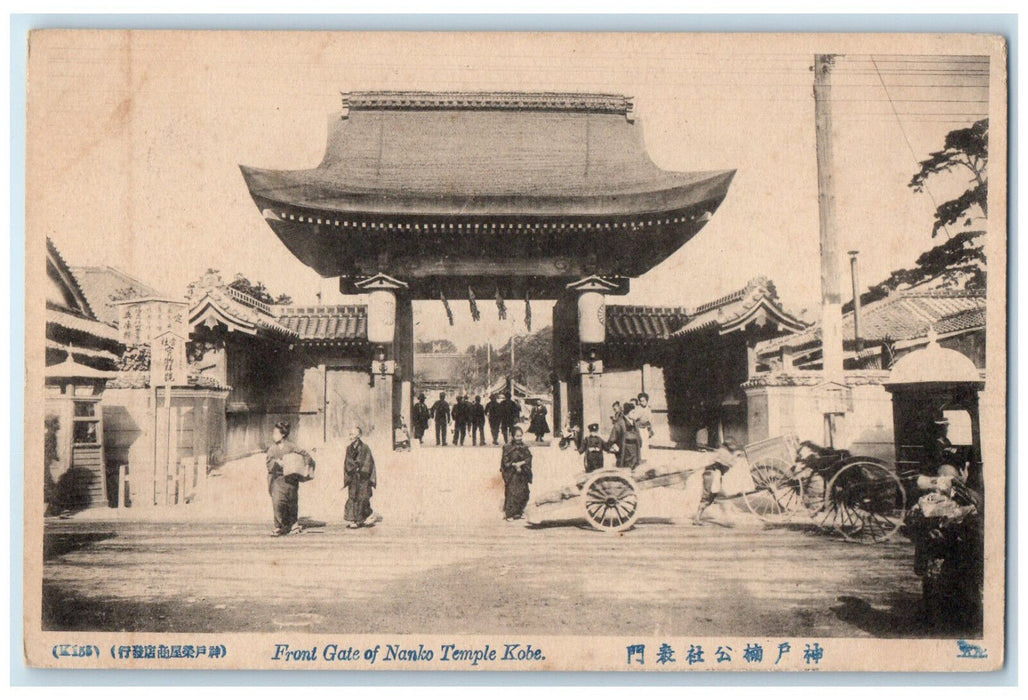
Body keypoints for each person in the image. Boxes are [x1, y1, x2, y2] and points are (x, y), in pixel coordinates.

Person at [265, 420, 314, 537]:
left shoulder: (291, 446)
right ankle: (279, 526)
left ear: (283, 434)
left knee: (291, 502)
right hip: (277, 479)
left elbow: (305, 454)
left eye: (276, 433)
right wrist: (276, 462)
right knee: (277, 502)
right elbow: (268, 463)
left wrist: (305, 465)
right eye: (273, 433)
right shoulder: (272, 449)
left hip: (290, 479)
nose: (273, 436)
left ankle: (293, 524)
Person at [693, 439, 744, 525]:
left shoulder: (722, 452)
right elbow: (728, 464)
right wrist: (735, 455)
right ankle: (727, 520)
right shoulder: (723, 453)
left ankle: (697, 518)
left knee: (709, 498)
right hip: (712, 475)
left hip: (713, 475)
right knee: (719, 497)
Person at [343, 425, 377, 528]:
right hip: (353, 476)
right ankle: (353, 519)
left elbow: (368, 461)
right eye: (350, 434)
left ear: (359, 435)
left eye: (352, 434)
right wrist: (353, 468)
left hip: (363, 477)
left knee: (363, 497)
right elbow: (347, 462)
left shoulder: (365, 448)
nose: (350, 436)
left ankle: (365, 517)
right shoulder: (349, 448)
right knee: (352, 497)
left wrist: (360, 468)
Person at [500, 426, 533, 520]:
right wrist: (514, 465)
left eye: (520, 436)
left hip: (523, 472)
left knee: (524, 492)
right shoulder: (507, 447)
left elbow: (529, 458)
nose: (519, 438)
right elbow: (505, 461)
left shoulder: (524, 446)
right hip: (512, 473)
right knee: (512, 492)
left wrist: (522, 463)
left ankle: (519, 512)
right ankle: (510, 514)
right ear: (512, 436)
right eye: (517, 436)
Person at [606, 401, 642, 470]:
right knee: (625, 468)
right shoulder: (620, 423)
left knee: (635, 468)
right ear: (627, 413)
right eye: (632, 412)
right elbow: (613, 437)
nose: (634, 414)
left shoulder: (634, 423)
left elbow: (638, 435)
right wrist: (612, 445)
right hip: (625, 451)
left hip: (635, 450)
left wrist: (639, 443)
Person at [635, 392, 655, 459]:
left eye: (643, 401)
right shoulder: (638, 408)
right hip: (639, 428)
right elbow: (635, 418)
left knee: (646, 443)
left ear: (647, 401)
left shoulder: (648, 409)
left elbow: (651, 420)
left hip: (646, 428)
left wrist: (651, 430)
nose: (642, 402)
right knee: (641, 443)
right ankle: (640, 457)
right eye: (641, 401)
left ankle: (646, 457)